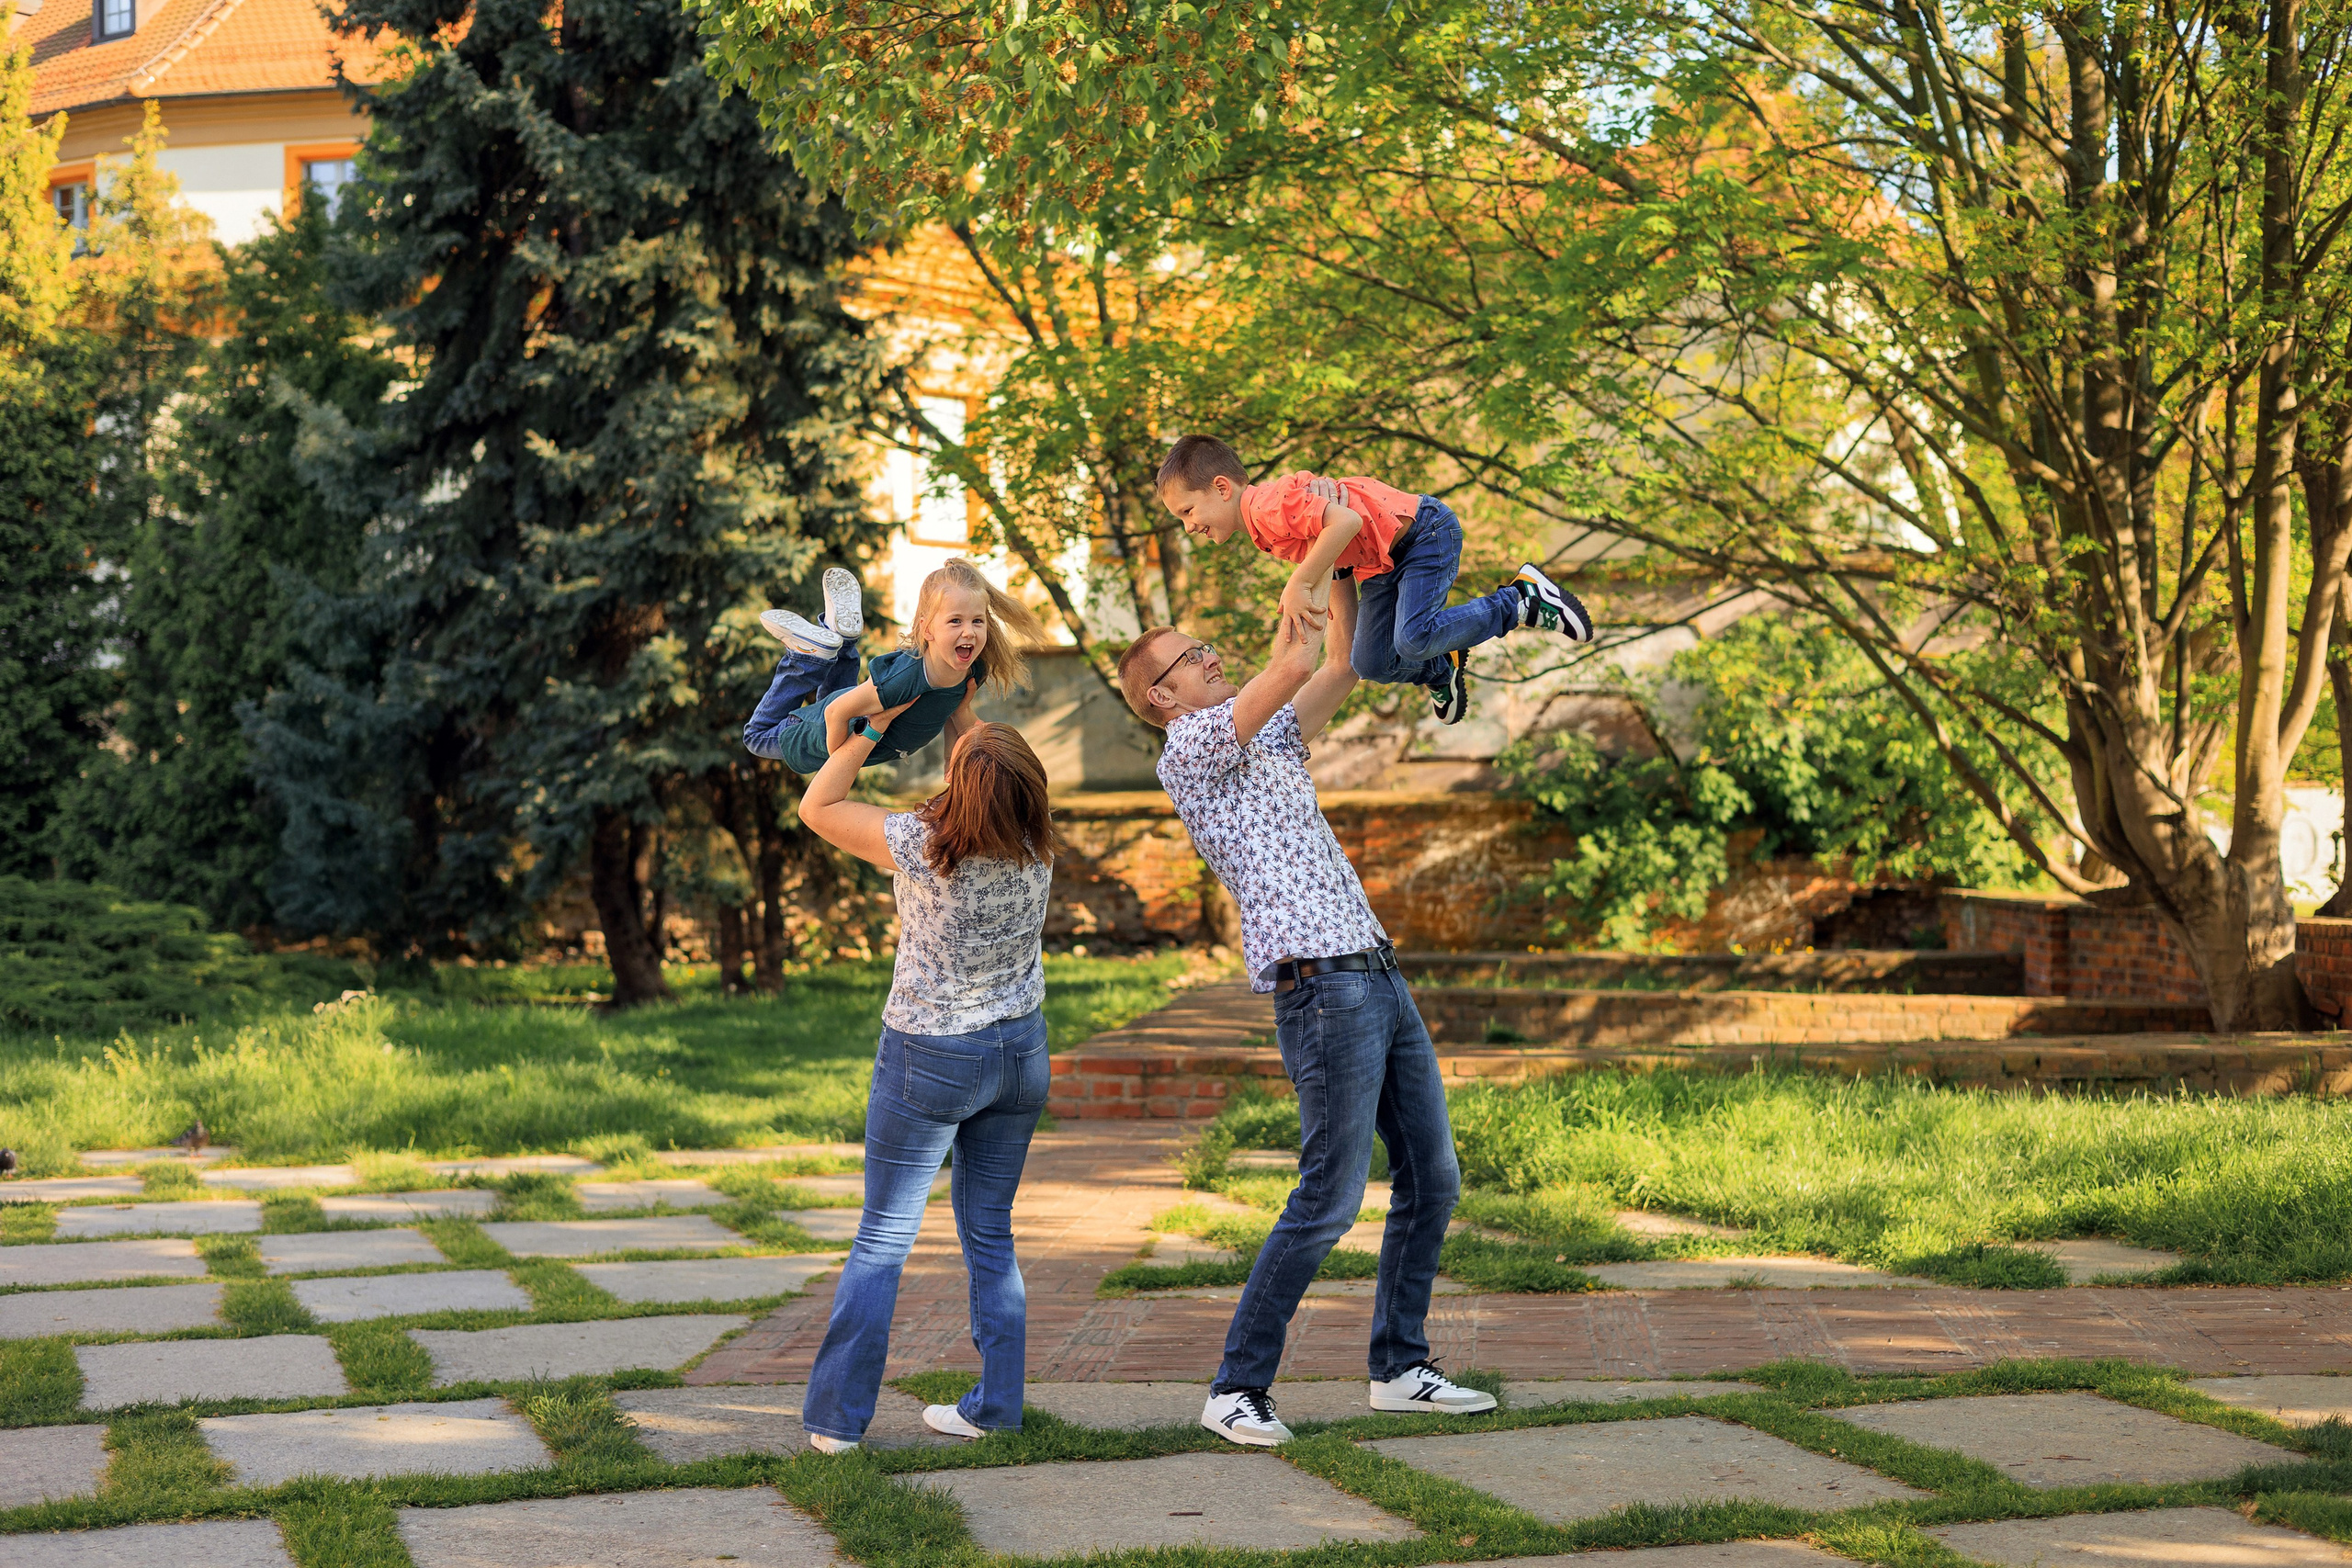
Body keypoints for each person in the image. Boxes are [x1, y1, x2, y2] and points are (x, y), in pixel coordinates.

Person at [1115, 582, 1498, 1448]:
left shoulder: (1266, 740)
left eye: (1205, 644)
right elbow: (1290, 659)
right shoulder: (1192, 750)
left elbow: (1335, 664)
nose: (1212, 654)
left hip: (1376, 971)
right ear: (1162, 696)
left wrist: (1351, 572)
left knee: (1433, 1176)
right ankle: (1236, 1387)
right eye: (1192, 656)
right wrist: (1318, 539)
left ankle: (1400, 1367)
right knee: (1329, 1193)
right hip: (1321, 989)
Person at [794, 716, 1059, 1451]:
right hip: (1019, 1054)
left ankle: (838, 1421)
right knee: (990, 1232)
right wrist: (957, 705)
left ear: (960, 788)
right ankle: (997, 1406)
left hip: (932, 1056)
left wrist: (866, 730)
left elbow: (817, 806)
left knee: (883, 1235)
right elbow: (985, 771)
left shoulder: (921, 844)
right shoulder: (1037, 843)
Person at [1154, 434, 1594, 725]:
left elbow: (1343, 522)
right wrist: (1333, 633)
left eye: (1188, 512)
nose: (1189, 527)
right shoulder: (1263, 530)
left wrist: (1299, 583)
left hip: (1421, 534)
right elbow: (1336, 564)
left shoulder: (1268, 505)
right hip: (1379, 565)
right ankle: (1442, 668)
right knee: (1368, 663)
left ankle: (1521, 599)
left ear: (1222, 487)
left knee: (1413, 637)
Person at [742, 558, 1048, 773]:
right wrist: (840, 765)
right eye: (955, 621)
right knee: (756, 737)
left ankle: (841, 638)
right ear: (927, 630)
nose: (968, 631)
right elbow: (835, 713)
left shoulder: (971, 668)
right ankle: (807, 658)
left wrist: (950, 765)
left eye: (977, 621)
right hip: (815, 734)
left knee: (841, 698)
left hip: (849, 715)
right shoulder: (907, 679)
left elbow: (952, 712)